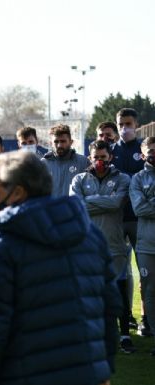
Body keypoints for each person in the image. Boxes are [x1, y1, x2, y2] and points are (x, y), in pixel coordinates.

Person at [0, 150, 121, 385]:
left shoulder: (0, 241)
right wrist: (104, 370)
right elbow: (110, 310)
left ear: (17, 191)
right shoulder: (91, 234)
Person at [70, 140, 134, 354]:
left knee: (118, 290)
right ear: (89, 158)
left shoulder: (123, 178)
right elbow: (77, 205)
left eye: (103, 158)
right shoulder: (79, 179)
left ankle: (124, 334)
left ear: (111, 157)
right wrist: (104, 200)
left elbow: (117, 204)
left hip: (115, 243)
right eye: (96, 157)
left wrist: (91, 200)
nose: (99, 162)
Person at [112, 108, 149, 337]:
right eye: (120, 124)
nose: (124, 128)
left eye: (128, 123)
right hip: (116, 220)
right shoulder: (110, 151)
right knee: (120, 273)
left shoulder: (143, 149)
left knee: (146, 271)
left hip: (140, 220)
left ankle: (147, 318)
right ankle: (126, 317)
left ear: (136, 124)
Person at [129, 136, 155, 355]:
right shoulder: (137, 179)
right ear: (143, 153)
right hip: (147, 244)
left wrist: (150, 201)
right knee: (150, 291)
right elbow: (140, 210)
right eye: (150, 150)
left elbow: (147, 207)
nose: (154, 153)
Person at [41, 123, 90, 197]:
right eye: (56, 142)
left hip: (73, 208)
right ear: (51, 143)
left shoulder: (83, 162)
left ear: (71, 142)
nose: (59, 145)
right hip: (51, 208)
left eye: (63, 141)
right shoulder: (43, 163)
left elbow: (89, 189)